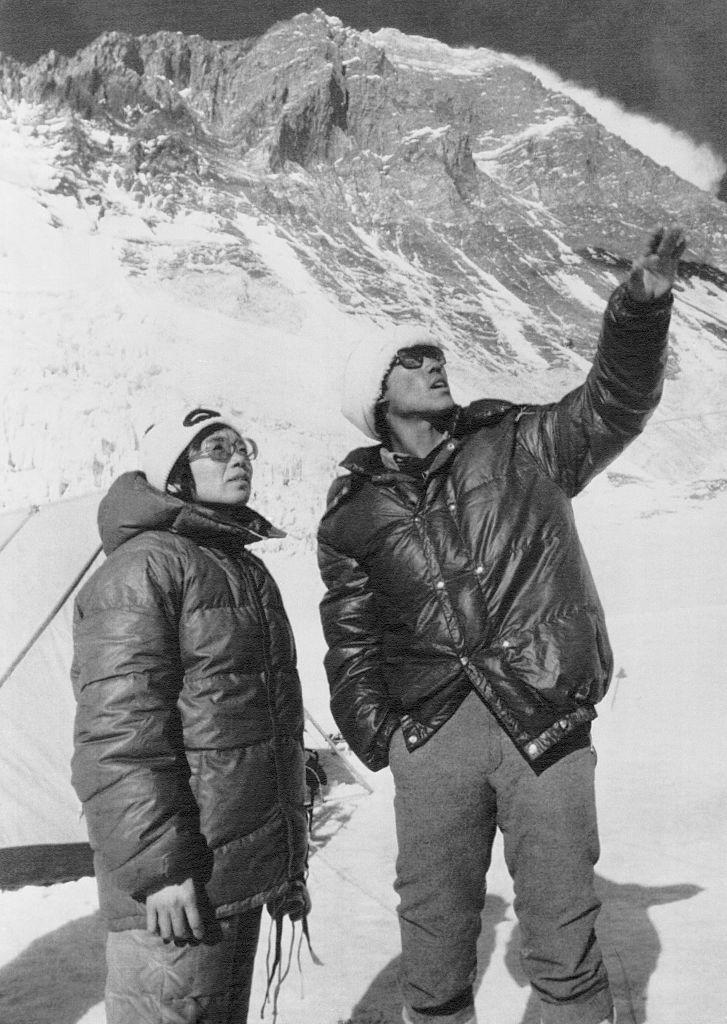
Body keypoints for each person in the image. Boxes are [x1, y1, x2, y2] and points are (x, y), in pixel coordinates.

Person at [317, 227, 686, 1024]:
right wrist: (384, 738)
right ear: (376, 395)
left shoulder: (520, 444)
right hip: (433, 734)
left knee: (562, 937)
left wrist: (639, 311)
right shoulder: (353, 514)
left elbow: (613, 402)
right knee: (434, 941)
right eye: (410, 359)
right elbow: (349, 640)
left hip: (541, 717)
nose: (432, 362)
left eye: (433, 353)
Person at [71, 405, 310, 1024]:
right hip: (177, 887)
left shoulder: (241, 569)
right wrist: (159, 869)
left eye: (243, 446)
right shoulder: (144, 568)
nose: (238, 458)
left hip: (229, 874)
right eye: (216, 447)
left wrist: (285, 857)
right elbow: (117, 735)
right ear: (175, 472)